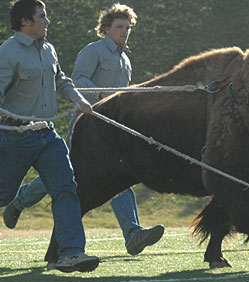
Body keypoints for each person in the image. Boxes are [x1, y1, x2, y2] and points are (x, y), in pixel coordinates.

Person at [2, 3, 165, 257]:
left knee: (77, 183)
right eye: (120, 27)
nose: (125, 31)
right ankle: (19, 201)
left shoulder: (119, 59)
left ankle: (83, 248)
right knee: (24, 186)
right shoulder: (91, 51)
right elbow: (79, 79)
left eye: (128, 27)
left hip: (83, 131)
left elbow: (62, 80)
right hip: (63, 131)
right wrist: (98, 95)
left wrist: (83, 99)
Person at [0, 0, 99, 272]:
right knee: (3, 194)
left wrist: (77, 98)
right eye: (42, 16)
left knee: (66, 188)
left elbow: (60, 81)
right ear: (25, 22)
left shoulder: (49, 49)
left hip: (48, 135)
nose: (47, 21)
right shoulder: (8, 53)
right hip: (17, 135)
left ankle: (71, 253)